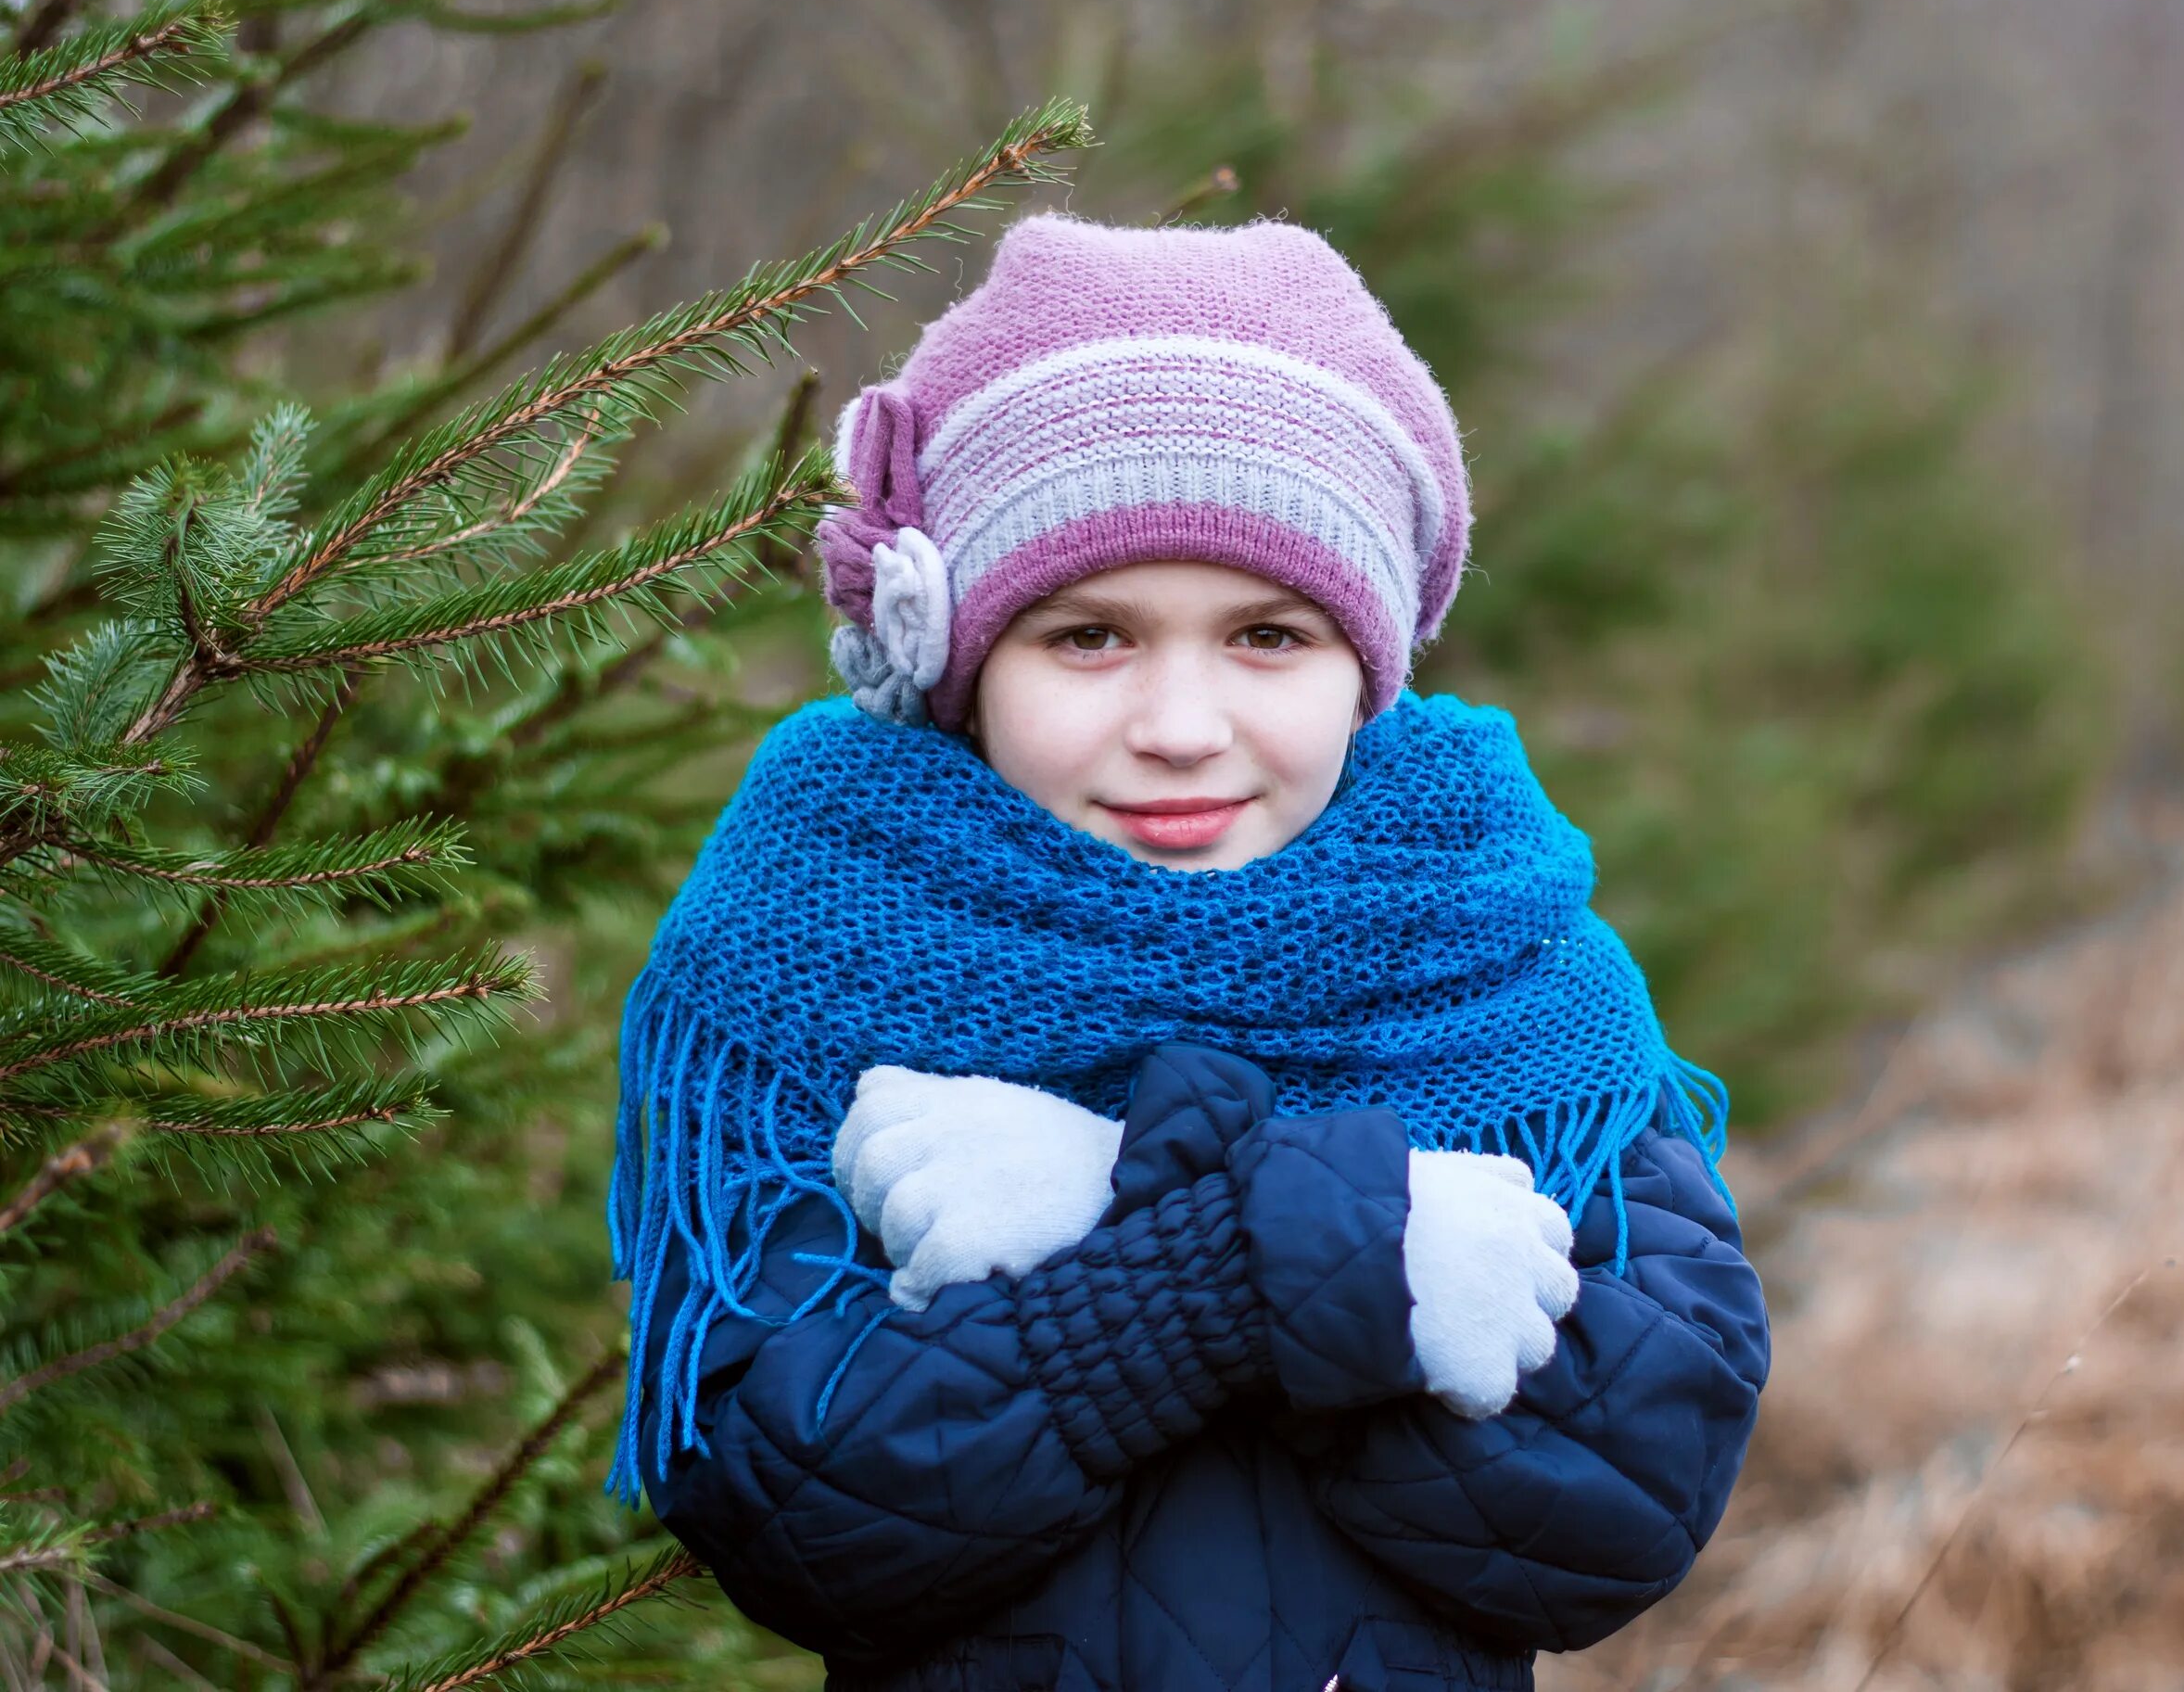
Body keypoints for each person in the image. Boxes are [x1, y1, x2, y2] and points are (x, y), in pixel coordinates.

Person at [604, 214, 1770, 1692]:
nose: (1178, 724)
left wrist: (1149, 1222)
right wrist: (1285, 1267)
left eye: (1269, 636)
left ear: (1370, 667)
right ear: (962, 661)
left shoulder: (1504, 960)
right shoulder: (813, 943)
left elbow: (1620, 1497)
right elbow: (795, 1506)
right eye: (1088, 636)